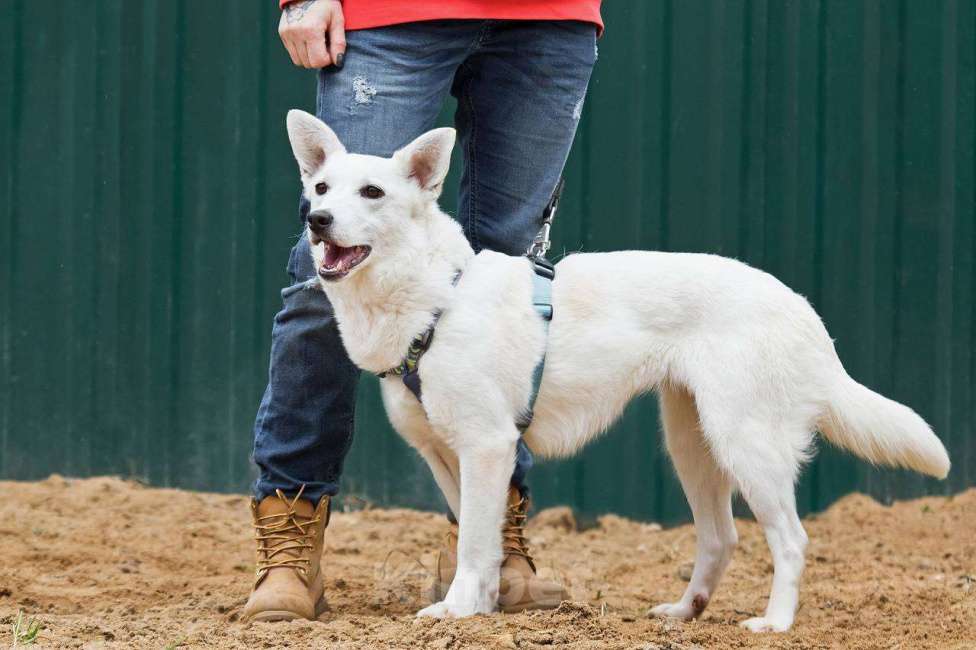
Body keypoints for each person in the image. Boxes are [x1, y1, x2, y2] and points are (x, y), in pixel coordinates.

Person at [244, 0, 602, 622]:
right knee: (326, 271)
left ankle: (489, 548)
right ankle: (290, 545)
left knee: (507, 284)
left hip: (549, 19)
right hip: (392, 14)